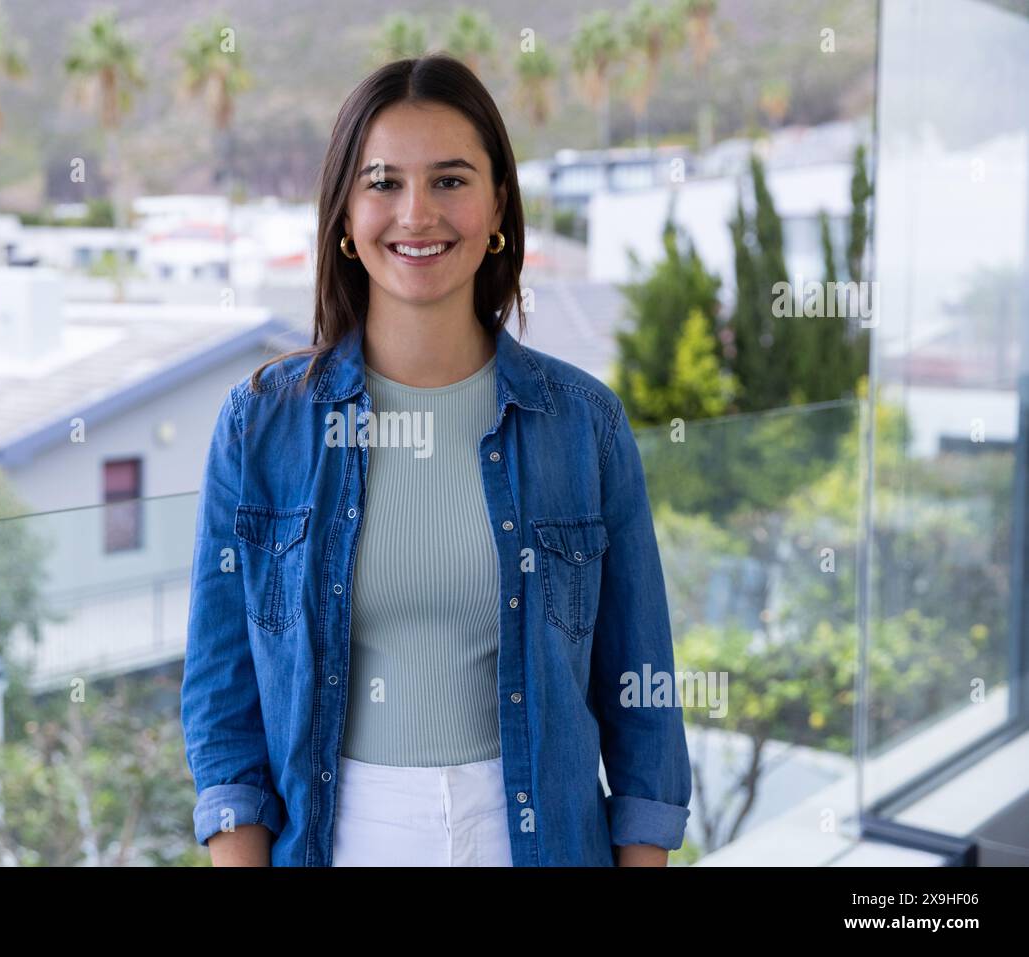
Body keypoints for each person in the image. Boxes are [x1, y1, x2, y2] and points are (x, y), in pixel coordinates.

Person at [180, 53, 691, 867]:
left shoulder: (584, 424)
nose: (416, 213)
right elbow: (222, 696)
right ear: (345, 216)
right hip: (338, 841)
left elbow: (643, 698)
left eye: (451, 181)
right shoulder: (260, 426)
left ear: (497, 209)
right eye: (383, 182)